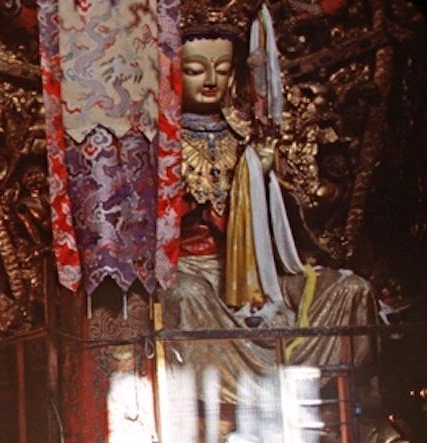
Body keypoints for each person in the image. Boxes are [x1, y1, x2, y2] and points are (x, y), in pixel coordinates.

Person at [160, 4, 378, 397]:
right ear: (173, 71)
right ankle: (222, 413)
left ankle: (363, 407)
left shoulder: (248, 137)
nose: (210, 80)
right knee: (187, 296)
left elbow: (289, 223)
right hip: (193, 271)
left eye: (222, 70)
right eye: (194, 70)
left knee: (351, 288)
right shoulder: (157, 145)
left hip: (259, 274)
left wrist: (261, 176)